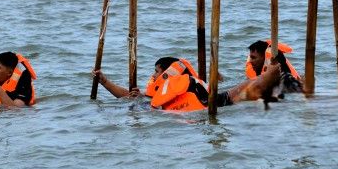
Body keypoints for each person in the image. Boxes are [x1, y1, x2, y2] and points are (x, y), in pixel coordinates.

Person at [93, 53, 286, 112]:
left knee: (238, 92)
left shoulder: (170, 86)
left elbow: (129, 98)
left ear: (168, 73)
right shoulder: (154, 94)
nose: (153, 75)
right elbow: (127, 96)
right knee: (237, 92)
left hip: (199, 102)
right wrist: (105, 82)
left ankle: (274, 72)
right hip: (201, 103)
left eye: (157, 71)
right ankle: (274, 74)